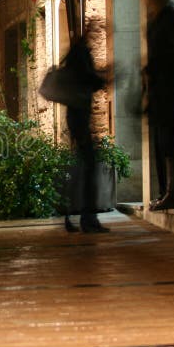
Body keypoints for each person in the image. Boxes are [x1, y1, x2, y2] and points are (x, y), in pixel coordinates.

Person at [63, 35, 109, 234]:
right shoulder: (81, 55)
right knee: (88, 167)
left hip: (76, 116)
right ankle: (87, 219)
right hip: (79, 117)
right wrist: (104, 78)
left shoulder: (74, 55)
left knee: (83, 167)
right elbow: (89, 80)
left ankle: (75, 217)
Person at [143, 0, 174, 211]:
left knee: (169, 142)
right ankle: (164, 190)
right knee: (159, 141)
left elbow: (167, 53)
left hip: (167, 89)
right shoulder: (155, 19)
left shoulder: (169, 16)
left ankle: (172, 192)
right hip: (158, 91)